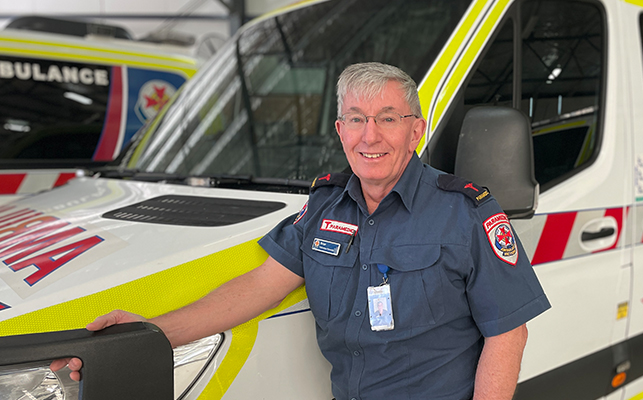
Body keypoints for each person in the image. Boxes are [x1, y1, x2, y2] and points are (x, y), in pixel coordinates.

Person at [52, 62, 550, 400]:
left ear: (415, 130)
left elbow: (508, 334)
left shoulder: (466, 213)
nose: (369, 135)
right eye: (355, 119)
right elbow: (256, 288)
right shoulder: (323, 206)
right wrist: (147, 333)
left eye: (386, 119)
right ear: (340, 131)